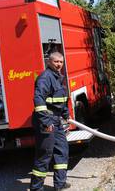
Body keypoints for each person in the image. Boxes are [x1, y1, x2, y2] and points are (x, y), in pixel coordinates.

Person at [30, 52, 70, 191]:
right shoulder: (45, 78)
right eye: (56, 62)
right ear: (49, 62)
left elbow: (60, 100)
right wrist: (46, 122)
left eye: (61, 62)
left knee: (62, 150)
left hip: (56, 120)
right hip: (46, 121)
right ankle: (36, 188)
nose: (59, 64)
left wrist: (66, 115)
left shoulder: (58, 77)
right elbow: (38, 100)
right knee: (45, 154)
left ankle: (60, 184)